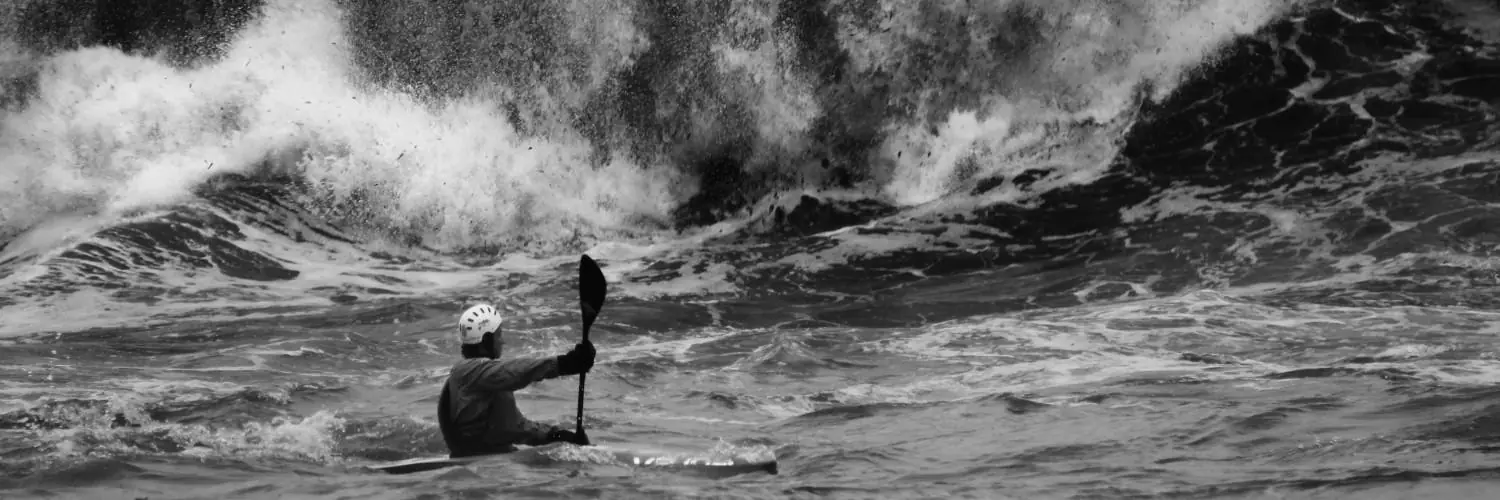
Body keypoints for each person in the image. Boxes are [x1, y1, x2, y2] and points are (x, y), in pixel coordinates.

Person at [438, 303, 596, 457]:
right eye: (498, 335)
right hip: (479, 462)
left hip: (495, 458)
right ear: (486, 340)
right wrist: (564, 364)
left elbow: (512, 427)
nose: (502, 341)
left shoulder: (485, 379)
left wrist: (555, 435)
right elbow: (515, 372)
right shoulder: (468, 371)